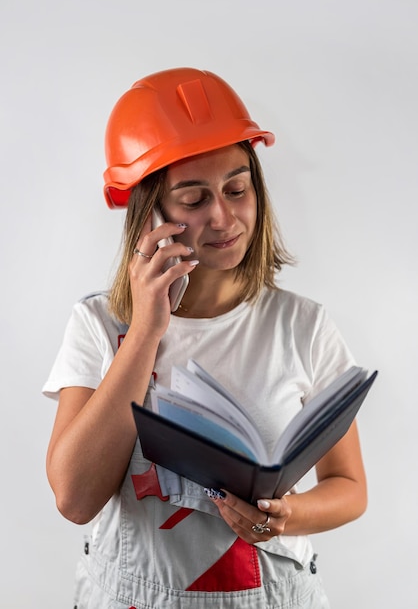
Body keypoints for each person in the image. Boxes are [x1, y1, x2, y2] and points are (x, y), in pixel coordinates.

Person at [43, 67, 367, 609]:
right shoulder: (98, 324)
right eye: (193, 201)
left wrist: (287, 517)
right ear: (153, 214)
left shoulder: (303, 326)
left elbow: (350, 488)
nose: (224, 217)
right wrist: (146, 330)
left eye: (237, 190)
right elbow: (75, 498)